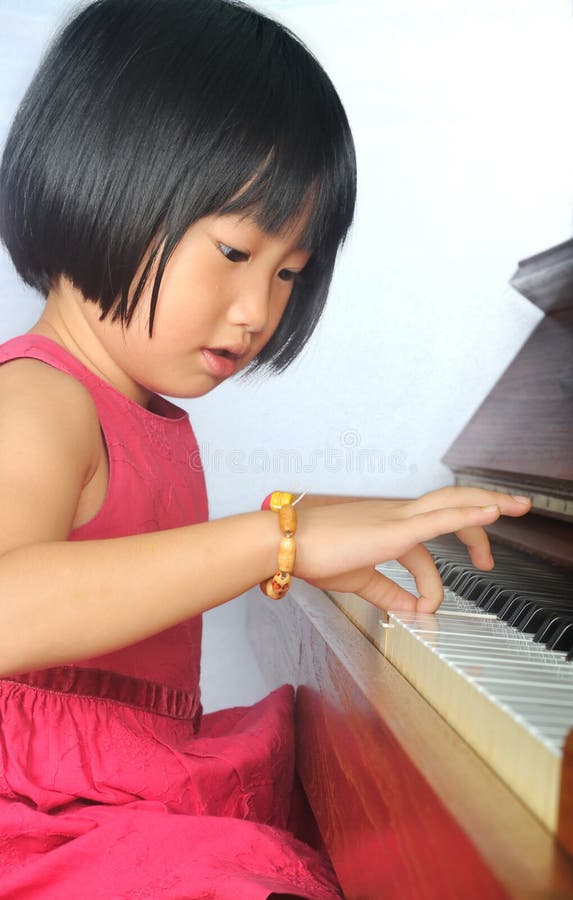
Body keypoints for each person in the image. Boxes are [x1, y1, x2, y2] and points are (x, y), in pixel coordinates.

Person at [0, 0, 532, 896]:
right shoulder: (38, 399)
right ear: (106, 180)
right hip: (40, 821)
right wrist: (276, 538)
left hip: (122, 788)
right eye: (236, 251)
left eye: (289, 271)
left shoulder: (145, 414)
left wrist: (305, 526)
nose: (259, 310)